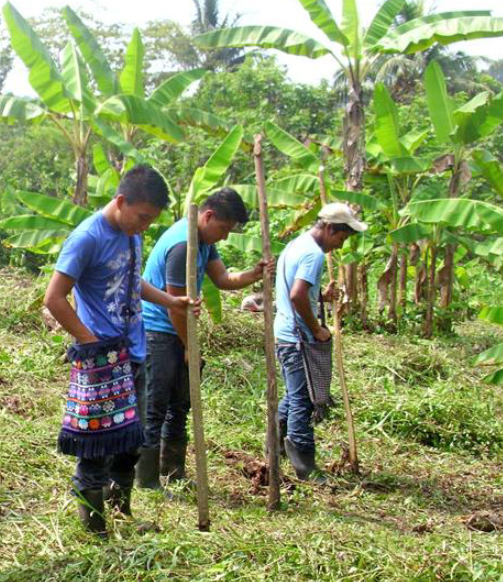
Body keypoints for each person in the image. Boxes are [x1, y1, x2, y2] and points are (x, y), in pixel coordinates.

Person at [44, 164, 195, 536]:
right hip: (101, 359)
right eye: (142, 217)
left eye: (151, 221)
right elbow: (54, 297)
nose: (145, 226)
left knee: (131, 439)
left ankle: (120, 510)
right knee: (97, 445)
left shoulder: (131, 235)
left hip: (135, 353)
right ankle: (94, 527)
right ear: (121, 201)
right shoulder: (87, 238)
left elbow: (130, 280)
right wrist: (89, 341)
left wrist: (171, 301)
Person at [136, 188, 274, 489]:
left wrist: (254, 274)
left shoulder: (203, 242)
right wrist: (191, 346)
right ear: (208, 216)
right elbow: (175, 307)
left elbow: (223, 280)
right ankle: (146, 480)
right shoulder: (182, 245)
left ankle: (173, 472)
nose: (224, 237)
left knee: (180, 404)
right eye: (223, 229)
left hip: (181, 329)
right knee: (155, 406)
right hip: (158, 331)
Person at [274, 203, 366, 481]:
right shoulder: (313, 254)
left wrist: (321, 296)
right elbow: (296, 295)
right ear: (328, 228)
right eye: (341, 237)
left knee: (294, 393)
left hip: (285, 333)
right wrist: (316, 328)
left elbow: (299, 291)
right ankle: (304, 462)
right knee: (303, 400)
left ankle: (275, 445)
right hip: (298, 338)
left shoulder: (296, 245)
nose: (340, 245)